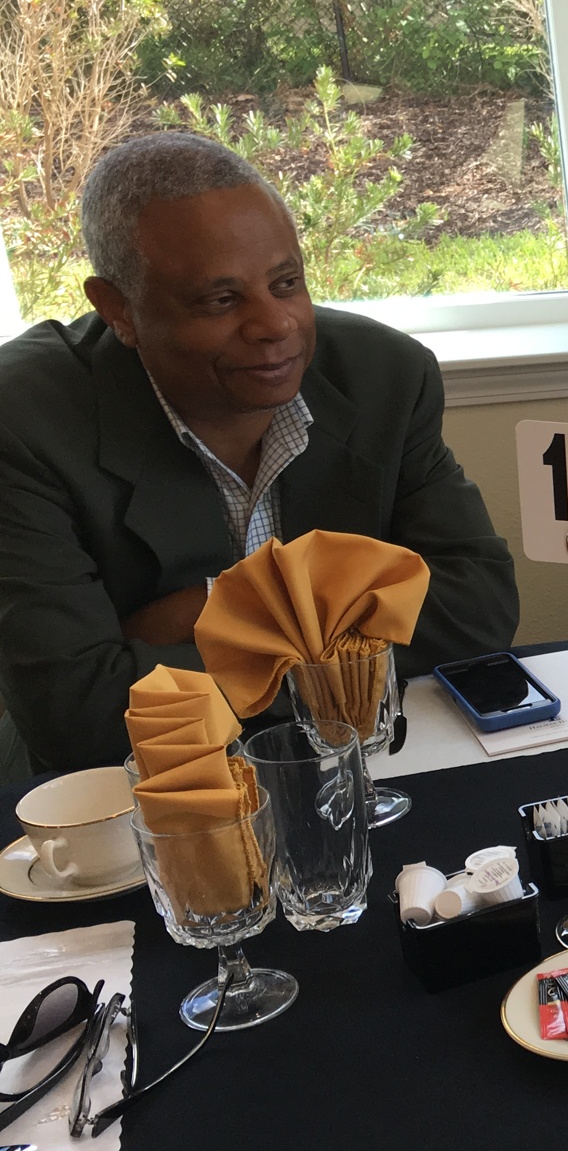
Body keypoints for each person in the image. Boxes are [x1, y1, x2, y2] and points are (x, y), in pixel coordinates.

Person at [0, 132, 519, 776]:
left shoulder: (386, 375)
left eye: (286, 282)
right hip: (134, 804)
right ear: (118, 310)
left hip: (362, 778)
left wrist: (211, 610)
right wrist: (340, 635)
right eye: (221, 300)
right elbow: (77, 711)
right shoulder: (24, 418)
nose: (275, 325)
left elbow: (478, 609)